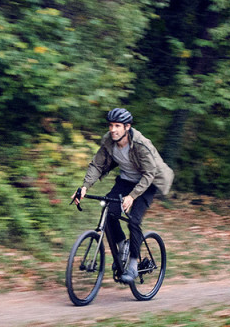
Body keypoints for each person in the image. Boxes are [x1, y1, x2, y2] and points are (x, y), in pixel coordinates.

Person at [73, 108, 174, 282]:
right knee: (110, 212)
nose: (113, 129)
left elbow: (149, 174)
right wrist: (84, 187)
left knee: (134, 220)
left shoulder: (141, 145)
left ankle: (133, 266)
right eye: (111, 125)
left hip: (147, 183)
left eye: (117, 126)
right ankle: (122, 248)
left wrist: (132, 196)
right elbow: (97, 165)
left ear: (127, 127)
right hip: (125, 181)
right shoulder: (108, 141)